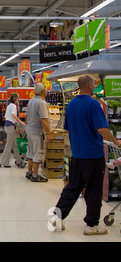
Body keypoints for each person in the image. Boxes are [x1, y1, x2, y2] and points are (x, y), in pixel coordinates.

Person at [52, 75, 121, 235]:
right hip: (93, 155)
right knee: (94, 190)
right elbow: (102, 130)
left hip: (77, 155)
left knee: (73, 187)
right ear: (90, 86)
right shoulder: (93, 104)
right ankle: (91, 225)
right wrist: (116, 142)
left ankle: (57, 217)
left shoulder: (71, 105)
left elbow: (67, 129)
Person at [25, 83, 53, 182]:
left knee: (31, 151)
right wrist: (49, 133)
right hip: (38, 132)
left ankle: (29, 172)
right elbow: (43, 120)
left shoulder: (31, 101)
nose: (46, 91)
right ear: (42, 92)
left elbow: (26, 117)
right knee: (39, 152)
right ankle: (35, 175)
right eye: (45, 89)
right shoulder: (41, 103)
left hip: (30, 130)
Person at [0, 92, 26, 168]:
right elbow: (13, 115)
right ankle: (4, 162)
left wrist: (15, 121)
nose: (18, 100)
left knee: (15, 144)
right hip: (10, 126)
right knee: (9, 145)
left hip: (7, 126)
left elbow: (6, 116)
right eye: (18, 98)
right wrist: (21, 121)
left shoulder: (9, 106)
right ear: (15, 99)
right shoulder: (14, 106)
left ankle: (19, 161)